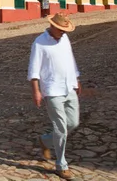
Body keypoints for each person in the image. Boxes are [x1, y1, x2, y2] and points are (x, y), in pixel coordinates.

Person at [28, 12, 80, 180]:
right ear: (52, 26)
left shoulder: (65, 39)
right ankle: (61, 164)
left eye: (65, 30)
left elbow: (70, 60)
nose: (63, 32)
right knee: (61, 127)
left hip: (68, 86)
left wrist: (76, 79)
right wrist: (36, 91)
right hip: (51, 90)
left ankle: (46, 140)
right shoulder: (39, 43)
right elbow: (34, 69)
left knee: (73, 122)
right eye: (60, 29)